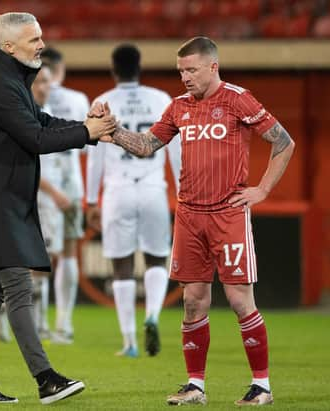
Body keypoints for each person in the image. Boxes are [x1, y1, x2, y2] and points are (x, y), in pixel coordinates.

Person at [101, 37, 295, 406]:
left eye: (191, 70)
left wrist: (263, 189)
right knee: (193, 301)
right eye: (180, 71)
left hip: (228, 213)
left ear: (212, 67)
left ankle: (262, 386)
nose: (185, 77)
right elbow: (146, 146)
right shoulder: (178, 107)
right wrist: (113, 133)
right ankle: (195, 386)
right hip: (190, 216)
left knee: (240, 300)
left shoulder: (238, 99)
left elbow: (283, 141)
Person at [0, 12, 116, 405]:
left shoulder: (9, 79)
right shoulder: (1, 85)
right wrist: (86, 133)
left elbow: (40, 121)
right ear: (9, 47)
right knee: (18, 288)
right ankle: (47, 379)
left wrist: (87, 129)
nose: (41, 44)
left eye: (41, 37)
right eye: (33, 40)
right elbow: (35, 138)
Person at [85, 44, 181, 358]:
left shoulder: (103, 102)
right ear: (140, 67)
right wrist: (183, 193)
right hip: (153, 187)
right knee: (156, 257)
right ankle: (152, 314)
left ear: (114, 69)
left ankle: (129, 342)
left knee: (121, 265)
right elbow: (176, 151)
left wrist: (90, 200)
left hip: (118, 190)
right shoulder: (161, 99)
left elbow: (94, 153)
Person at [0, 63, 61, 343]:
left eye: (48, 82)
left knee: (47, 262)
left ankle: (17, 315)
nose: (46, 87)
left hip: (52, 202)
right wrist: (55, 193)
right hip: (34, 200)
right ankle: (32, 322)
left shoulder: (46, 117)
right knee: (36, 265)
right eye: (40, 82)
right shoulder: (20, 119)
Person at [40, 47, 90, 344]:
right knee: (69, 251)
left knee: (41, 256)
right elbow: (86, 142)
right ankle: (65, 324)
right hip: (72, 181)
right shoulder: (77, 99)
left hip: (45, 180)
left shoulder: (33, 96)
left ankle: (40, 323)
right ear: (62, 68)